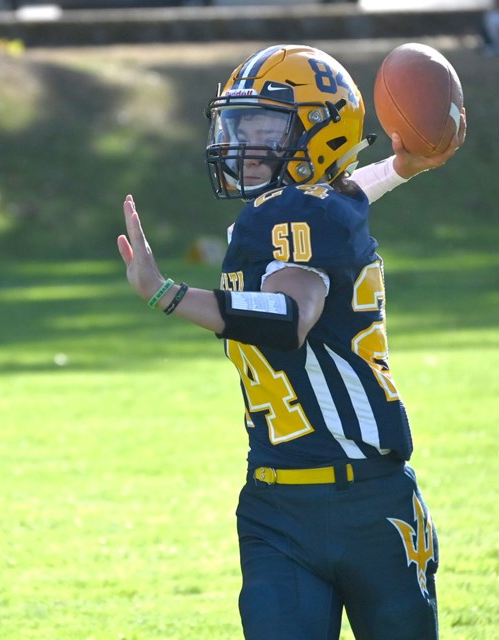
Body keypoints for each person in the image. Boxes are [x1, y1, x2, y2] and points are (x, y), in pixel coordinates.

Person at [117, 44, 465, 639]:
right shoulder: (312, 207)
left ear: (318, 137)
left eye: (264, 127)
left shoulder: (296, 213)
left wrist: (166, 294)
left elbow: (285, 319)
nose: (242, 143)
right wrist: (401, 168)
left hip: (360, 506)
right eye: (238, 123)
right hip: (283, 500)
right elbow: (341, 194)